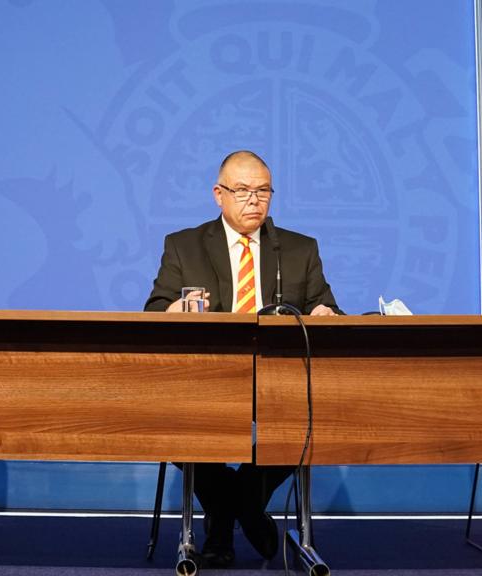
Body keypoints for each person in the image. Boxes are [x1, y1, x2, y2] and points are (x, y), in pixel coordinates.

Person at [145, 150, 340, 567]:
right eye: (243, 191)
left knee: (310, 409)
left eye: (263, 191)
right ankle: (242, 511)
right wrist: (172, 310)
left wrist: (326, 314)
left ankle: (231, 508)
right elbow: (155, 309)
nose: (255, 200)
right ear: (219, 194)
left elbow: (327, 310)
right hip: (206, 379)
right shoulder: (184, 245)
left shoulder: (299, 249)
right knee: (174, 412)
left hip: (278, 379)